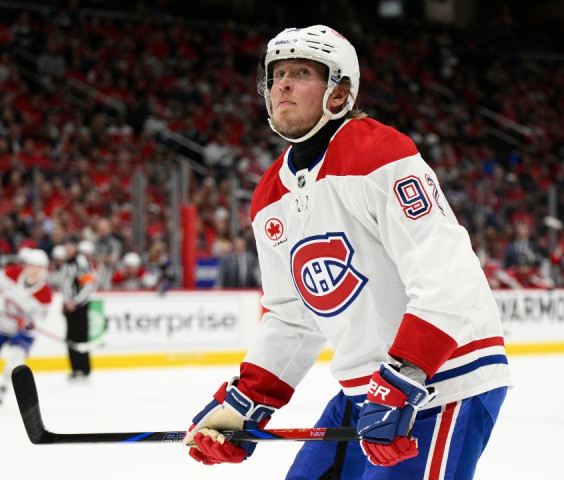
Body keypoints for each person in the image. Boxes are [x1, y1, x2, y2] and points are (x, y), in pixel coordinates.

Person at [183, 25, 512, 479]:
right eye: (277, 74)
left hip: (443, 380)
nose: (283, 84)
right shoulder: (269, 195)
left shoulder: (378, 153)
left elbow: (447, 274)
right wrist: (246, 402)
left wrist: (404, 378)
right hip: (367, 394)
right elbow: (292, 315)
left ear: (338, 93)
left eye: (302, 72)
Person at [0, 249, 52, 404]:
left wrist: (29, 323)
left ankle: (2, 386)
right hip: (2, 323)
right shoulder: (11, 273)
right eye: (31, 266)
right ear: (26, 266)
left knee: (16, 358)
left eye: (39, 267)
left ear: (44, 269)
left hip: (23, 332)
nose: (34, 271)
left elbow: (39, 320)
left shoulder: (45, 294)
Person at [59, 235, 96, 381]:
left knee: (80, 337)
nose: (68, 248)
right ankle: (75, 368)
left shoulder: (81, 262)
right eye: (66, 245)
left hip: (79, 306)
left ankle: (84, 368)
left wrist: (75, 301)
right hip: (70, 306)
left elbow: (88, 285)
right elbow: (65, 285)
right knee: (70, 338)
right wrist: (65, 303)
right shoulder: (66, 262)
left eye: (70, 245)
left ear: (76, 247)